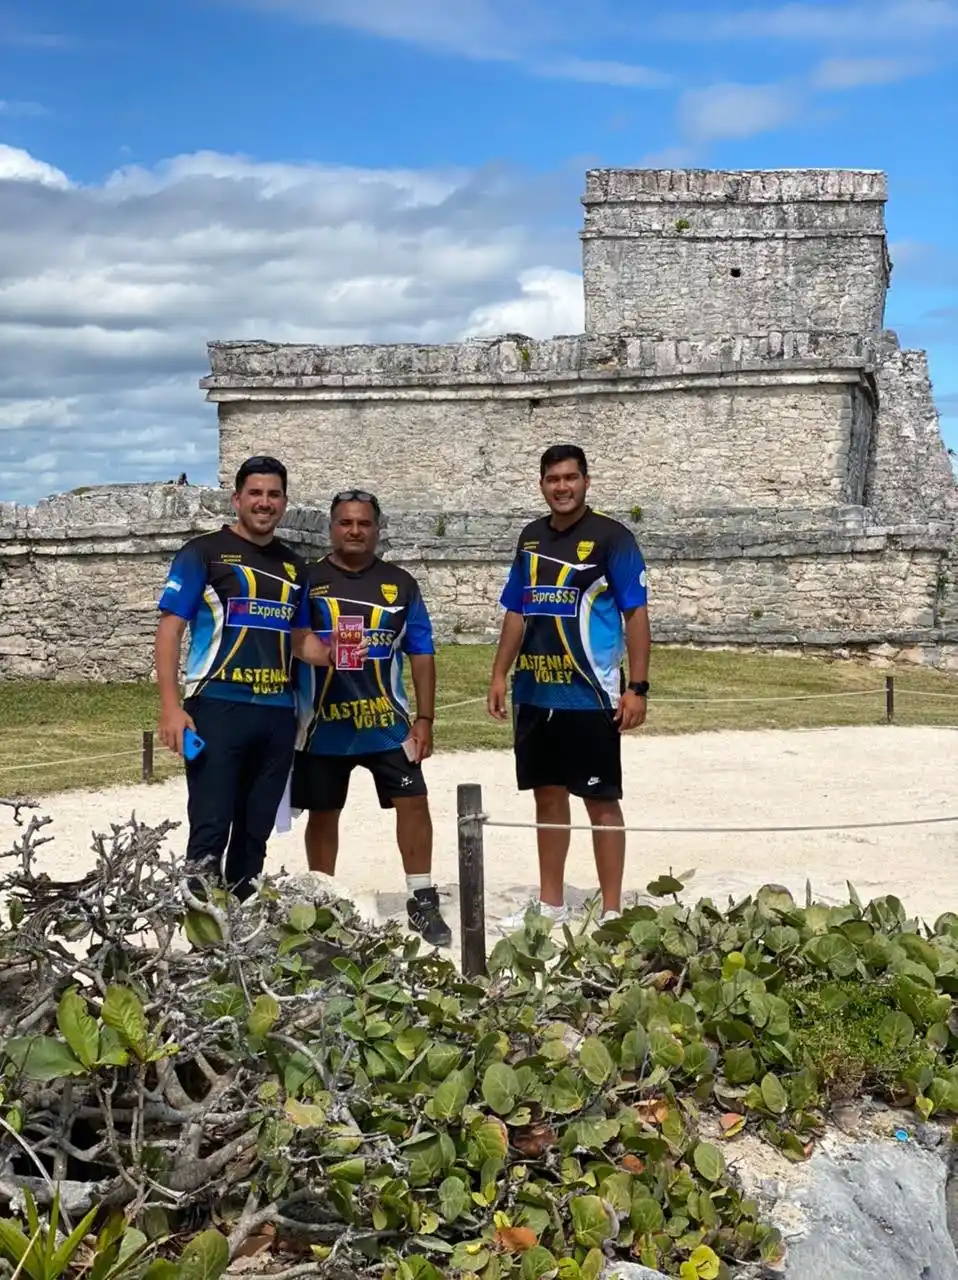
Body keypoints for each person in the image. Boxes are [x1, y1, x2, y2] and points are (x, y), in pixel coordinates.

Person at [155, 455, 336, 901]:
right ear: (237, 499)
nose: (264, 502)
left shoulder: (295, 567)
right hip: (216, 706)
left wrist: (336, 654)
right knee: (210, 829)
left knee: (255, 834)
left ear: (284, 502)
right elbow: (169, 628)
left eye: (273, 494)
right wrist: (171, 707)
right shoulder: (203, 552)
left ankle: (240, 937)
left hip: (276, 714)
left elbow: (299, 642)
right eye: (255, 493)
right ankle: (203, 942)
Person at [487, 444, 651, 931]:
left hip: (591, 695)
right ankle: (551, 902)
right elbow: (517, 609)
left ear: (585, 481)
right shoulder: (530, 538)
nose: (562, 486)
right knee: (547, 799)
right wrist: (499, 672)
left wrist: (637, 686)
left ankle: (613, 910)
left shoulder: (612, 538)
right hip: (536, 693)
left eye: (570, 478)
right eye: (553, 479)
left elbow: (636, 614)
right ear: (541, 484)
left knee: (601, 801)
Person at [290, 489, 452, 948]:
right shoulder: (308, 580)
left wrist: (425, 719)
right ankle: (322, 901)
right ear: (331, 528)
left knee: (414, 803)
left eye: (364, 523)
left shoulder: (401, 584)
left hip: (387, 721)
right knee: (323, 815)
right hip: (323, 724)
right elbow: (295, 638)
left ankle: (422, 899)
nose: (355, 531)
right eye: (345, 523)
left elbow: (421, 652)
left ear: (378, 530)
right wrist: (321, 654)